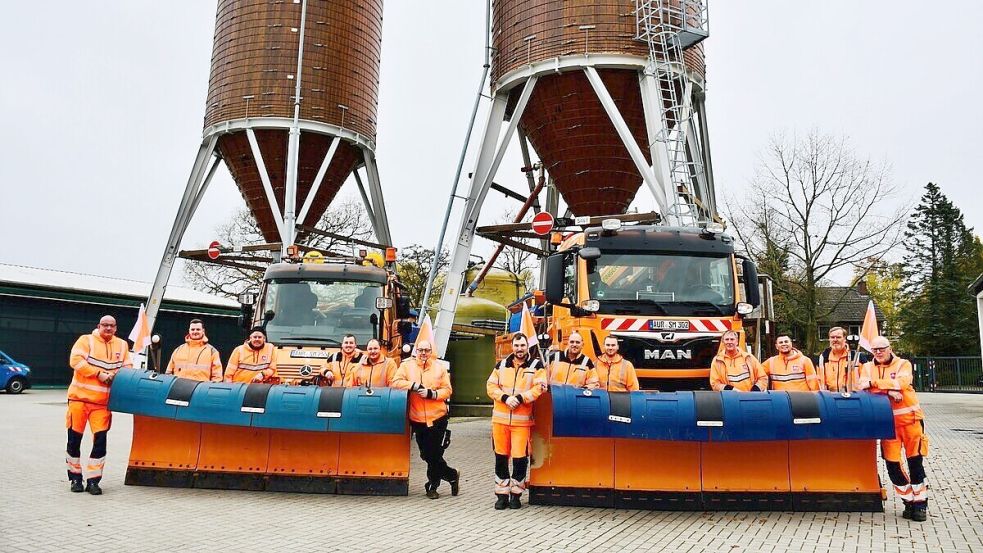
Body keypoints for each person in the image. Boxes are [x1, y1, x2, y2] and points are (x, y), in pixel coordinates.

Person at [858, 336, 929, 521]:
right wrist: (889, 390)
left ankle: (920, 505)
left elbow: (902, 384)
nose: (879, 352)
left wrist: (874, 384)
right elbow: (861, 388)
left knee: (915, 464)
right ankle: (908, 501)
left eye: (882, 348)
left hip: (911, 422)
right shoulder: (866, 367)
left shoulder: (903, 364)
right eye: (875, 349)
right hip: (887, 425)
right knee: (893, 467)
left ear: (890, 348)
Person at [66, 315, 132, 495]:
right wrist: (99, 374)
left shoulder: (122, 345)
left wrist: (115, 376)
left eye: (111, 326)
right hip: (79, 400)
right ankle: (75, 478)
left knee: (100, 443)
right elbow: (76, 361)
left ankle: (94, 481)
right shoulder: (85, 340)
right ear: (99, 326)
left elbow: (127, 368)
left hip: (102, 404)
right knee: (74, 441)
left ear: (116, 328)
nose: (108, 328)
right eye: (105, 325)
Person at [391, 340, 460, 499]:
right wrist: (413, 385)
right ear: (416, 351)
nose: (423, 353)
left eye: (426, 350)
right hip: (417, 419)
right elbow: (395, 382)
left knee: (434, 453)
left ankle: (432, 487)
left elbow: (447, 390)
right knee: (426, 455)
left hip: (438, 418)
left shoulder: (439, 368)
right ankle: (451, 475)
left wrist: (433, 394)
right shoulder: (406, 366)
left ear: (431, 352)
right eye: (420, 350)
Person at [486, 333, 547, 510]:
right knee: (501, 458)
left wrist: (520, 398)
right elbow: (490, 386)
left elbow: (540, 387)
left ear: (527, 347)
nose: (519, 349)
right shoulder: (501, 365)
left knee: (520, 459)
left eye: (522, 346)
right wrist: (505, 398)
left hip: (521, 422)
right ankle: (501, 495)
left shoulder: (537, 366)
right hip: (500, 420)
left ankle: (516, 494)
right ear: (512, 347)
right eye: (516, 345)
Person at [817, 326, 868, 392]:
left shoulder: (857, 357)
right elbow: (818, 382)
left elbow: (866, 380)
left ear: (844, 339)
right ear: (829, 339)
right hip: (829, 399)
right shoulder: (823, 358)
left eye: (838, 337)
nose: (835, 340)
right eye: (832, 337)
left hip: (853, 398)